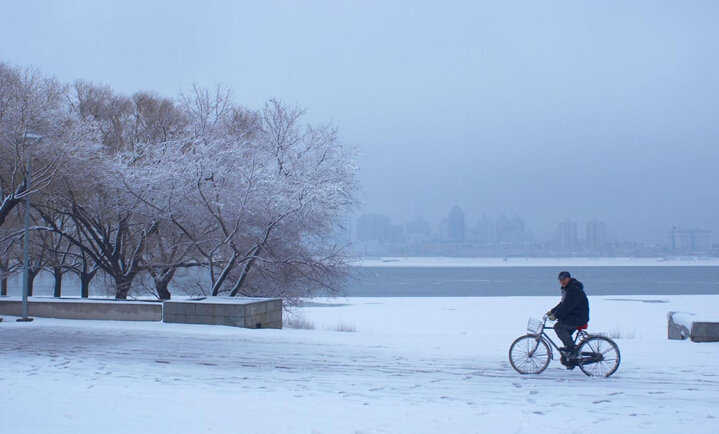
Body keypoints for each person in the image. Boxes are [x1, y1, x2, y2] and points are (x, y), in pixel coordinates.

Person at [546, 271, 589, 362]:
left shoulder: (573, 289)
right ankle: (570, 359)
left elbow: (567, 306)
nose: (562, 281)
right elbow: (562, 304)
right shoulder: (567, 288)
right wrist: (551, 312)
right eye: (560, 280)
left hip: (578, 317)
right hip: (575, 316)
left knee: (558, 327)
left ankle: (572, 351)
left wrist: (556, 316)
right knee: (565, 334)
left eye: (564, 279)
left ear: (569, 278)